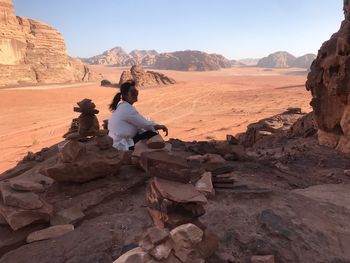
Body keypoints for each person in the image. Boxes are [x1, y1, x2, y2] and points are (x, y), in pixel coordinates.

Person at [108, 80, 168, 151]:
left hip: (116, 141)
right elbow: (146, 125)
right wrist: (160, 126)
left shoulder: (122, 106)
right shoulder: (127, 108)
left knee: (145, 131)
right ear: (125, 95)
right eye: (133, 92)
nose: (136, 94)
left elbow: (140, 123)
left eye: (136, 91)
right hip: (122, 145)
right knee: (152, 134)